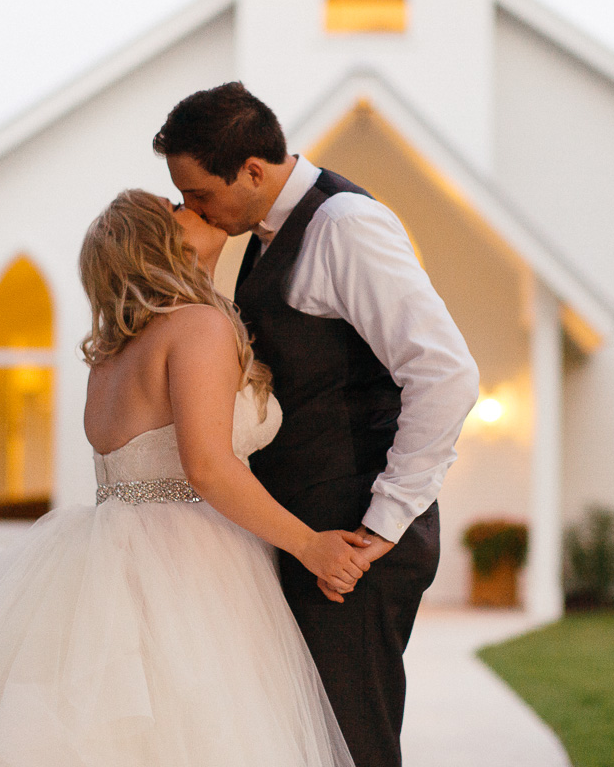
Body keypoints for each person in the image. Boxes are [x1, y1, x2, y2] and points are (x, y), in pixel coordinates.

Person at [0, 189, 370, 767]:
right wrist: (310, 546)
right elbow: (209, 469)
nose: (192, 204)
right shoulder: (197, 327)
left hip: (113, 548)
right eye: (175, 209)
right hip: (189, 563)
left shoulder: (116, 351)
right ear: (162, 245)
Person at [153, 82, 480, 767]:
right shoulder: (273, 235)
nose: (192, 209)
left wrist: (381, 525)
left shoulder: (344, 225)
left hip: (350, 537)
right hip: (314, 530)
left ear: (251, 170)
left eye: (199, 194)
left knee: (351, 744)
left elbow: (444, 372)